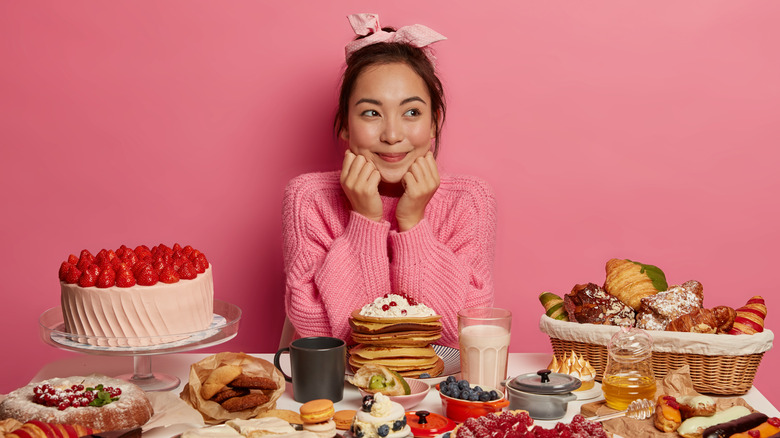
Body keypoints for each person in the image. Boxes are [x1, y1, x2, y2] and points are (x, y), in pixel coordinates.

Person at [282, 13, 496, 347]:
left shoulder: (468, 199)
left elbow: (463, 334)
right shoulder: (309, 198)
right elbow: (324, 338)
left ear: (434, 123)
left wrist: (413, 224)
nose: (393, 135)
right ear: (344, 125)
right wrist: (364, 221)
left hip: (437, 392)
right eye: (371, 113)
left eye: (411, 112)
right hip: (342, 395)